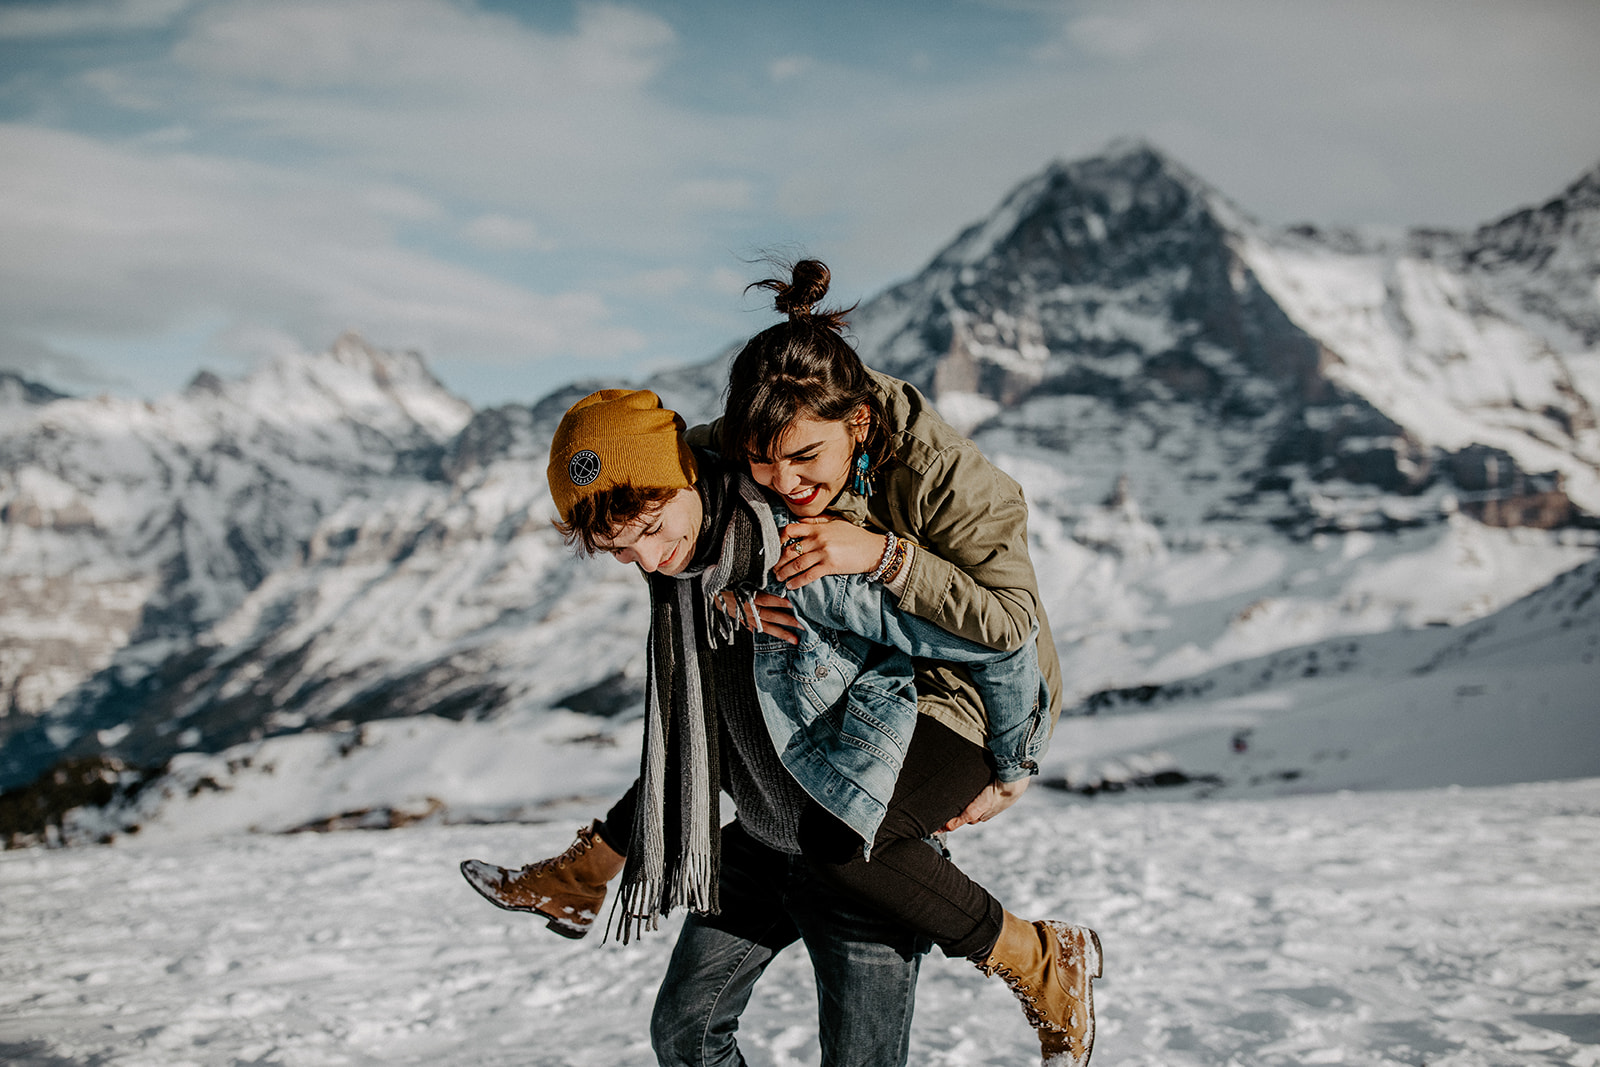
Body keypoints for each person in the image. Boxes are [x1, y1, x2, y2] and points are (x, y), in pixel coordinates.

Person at [462, 384, 1099, 1065]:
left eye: (649, 531)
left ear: (686, 473)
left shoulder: (798, 551)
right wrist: (606, 856)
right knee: (685, 1033)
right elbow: (697, 737)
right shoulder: (689, 574)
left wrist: (1012, 762)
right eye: (621, 550)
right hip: (768, 837)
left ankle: (1038, 957)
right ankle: (584, 874)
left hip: (851, 848)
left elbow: (992, 635)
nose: (647, 560)